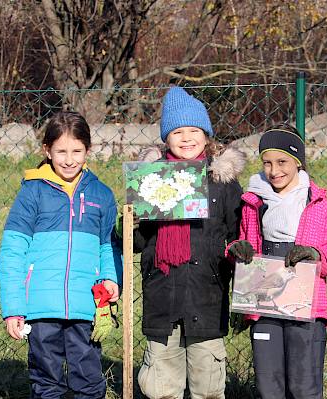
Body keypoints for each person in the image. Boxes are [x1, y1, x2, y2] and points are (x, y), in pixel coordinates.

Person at [0, 111, 121, 399]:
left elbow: (108, 245)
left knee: (88, 381)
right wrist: (14, 308)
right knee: (46, 383)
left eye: (77, 151)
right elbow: (13, 250)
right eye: (61, 151)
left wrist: (110, 278)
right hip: (41, 307)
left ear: (87, 150)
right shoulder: (32, 192)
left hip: (85, 305)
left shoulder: (101, 194)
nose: (69, 159)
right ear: (47, 151)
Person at [134, 86, 245, 399]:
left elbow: (239, 230)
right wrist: (133, 222)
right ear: (166, 138)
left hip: (207, 294)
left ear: (206, 135)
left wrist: (237, 249)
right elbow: (138, 241)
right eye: (177, 131)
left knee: (208, 386)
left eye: (194, 130)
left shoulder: (222, 183)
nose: (186, 138)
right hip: (162, 294)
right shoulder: (151, 180)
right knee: (161, 387)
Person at [227, 124, 327, 399]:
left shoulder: (317, 204)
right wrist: (237, 250)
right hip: (264, 303)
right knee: (269, 387)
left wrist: (314, 256)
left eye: (282, 162)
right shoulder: (252, 202)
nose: (274, 170)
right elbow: (242, 243)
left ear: (297, 161)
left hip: (306, 307)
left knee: (304, 387)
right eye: (267, 163)